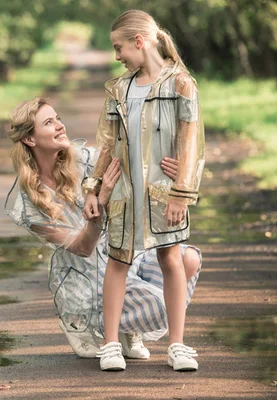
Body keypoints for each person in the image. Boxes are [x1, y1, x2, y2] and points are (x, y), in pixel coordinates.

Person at [5, 97, 201, 368]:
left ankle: (130, 324)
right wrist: (103, 198)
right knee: (160, 303)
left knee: (187, 259)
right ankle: (81, 321)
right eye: (48, 123)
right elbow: (83, 248)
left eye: (58, 118)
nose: (60, 126)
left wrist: (179, 178)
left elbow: (135, 167)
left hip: (123, 254)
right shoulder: (28, 204)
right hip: (86, 280)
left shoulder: (84, 159)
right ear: (30, 139)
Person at [83, 10, 205, 371]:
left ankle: (178, 345)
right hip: (123, 192)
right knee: (118, 260)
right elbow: (106, 144)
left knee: (171, 258)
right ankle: (109, 346)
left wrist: (181, 191)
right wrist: (93, 187)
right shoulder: (118, 89)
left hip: (163, 192)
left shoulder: (181, 84)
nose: (117, 56)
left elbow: (191, 140)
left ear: (139, 41)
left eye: (119, 47)